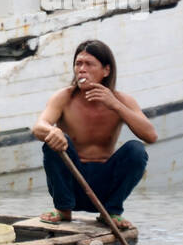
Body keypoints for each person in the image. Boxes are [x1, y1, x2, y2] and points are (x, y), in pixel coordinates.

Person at [32, 40, 157, 229]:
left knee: (136, 149)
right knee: (55, 140)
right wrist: (52, 131)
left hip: (103, 188)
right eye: (78, 64)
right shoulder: (64, 97)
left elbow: (151, 136)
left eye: (89, 64)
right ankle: (63, 210)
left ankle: (111, 212)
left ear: (106, 70)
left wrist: (115, 104)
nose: (82, 69)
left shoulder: (122, 100)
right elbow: (38, 127)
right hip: (72, 184)